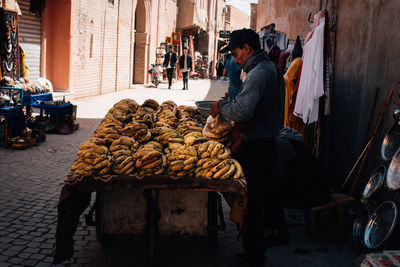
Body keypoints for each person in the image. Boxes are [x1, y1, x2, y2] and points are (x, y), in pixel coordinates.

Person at [210, 28, 285, 267]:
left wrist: (221, 107)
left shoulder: (257, 74)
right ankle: (256, 250)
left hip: (257, 149)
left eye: (235, 52)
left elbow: (243, 111)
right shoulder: (269, 68)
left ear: (247, 48)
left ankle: (254, 257)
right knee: (258, 201)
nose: (234, 58)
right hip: (266, 145)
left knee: (252, 204)